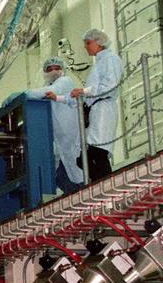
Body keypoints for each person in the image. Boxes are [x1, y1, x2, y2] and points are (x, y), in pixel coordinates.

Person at [68, 28, 122, 183]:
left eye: (88, 43)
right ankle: (100, 182)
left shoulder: (110, 59)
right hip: (96, 110)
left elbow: (110, 85)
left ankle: (106, 184)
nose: (85, 47)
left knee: (97, 153)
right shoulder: (99, 63)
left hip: (103, 109)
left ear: (99, 42)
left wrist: (84, 91)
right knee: (84, 158)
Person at [34, 57, 83, 194]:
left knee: (73, 176)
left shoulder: (65, 82)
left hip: (71, 139)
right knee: (59, 176)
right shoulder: (47, 88)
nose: (53, 71)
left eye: (57, 68)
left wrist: (23, 95)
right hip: (59, 143)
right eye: (49, 69)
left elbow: (49, 92)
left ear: (63, 69)